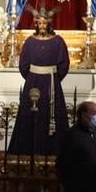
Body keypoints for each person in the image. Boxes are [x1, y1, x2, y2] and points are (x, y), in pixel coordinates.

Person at [8, 9, 70, 155]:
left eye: (44, 23)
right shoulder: (29, 42)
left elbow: (64, 64)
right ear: (36, 24)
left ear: (49, 24)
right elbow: (23, 65)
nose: (42, 26)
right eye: (39, 23)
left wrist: (53, 78)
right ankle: (26, 151)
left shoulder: (58, 41)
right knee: (32, 114)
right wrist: (32, 78)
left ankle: (53, 151)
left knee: (50, 115)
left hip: (51, 84)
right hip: (33, 83)